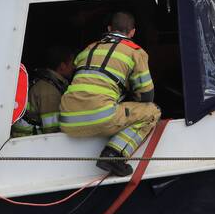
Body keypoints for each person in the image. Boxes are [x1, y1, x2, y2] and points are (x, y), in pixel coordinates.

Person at [59, 11, 160, 176]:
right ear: (133, 32)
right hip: (101, 117)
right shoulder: (136, 52)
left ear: (109, 28)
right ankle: (114, 155)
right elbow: (147, 96)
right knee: (152, 111)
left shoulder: (89, 48)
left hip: (67, 120)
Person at [12, 45, 76, 137]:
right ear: (62, 66)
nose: (74, 67)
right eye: (72, 63)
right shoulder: (50, 92)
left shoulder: (44, 80)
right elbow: (52, 132)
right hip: (29, 143)